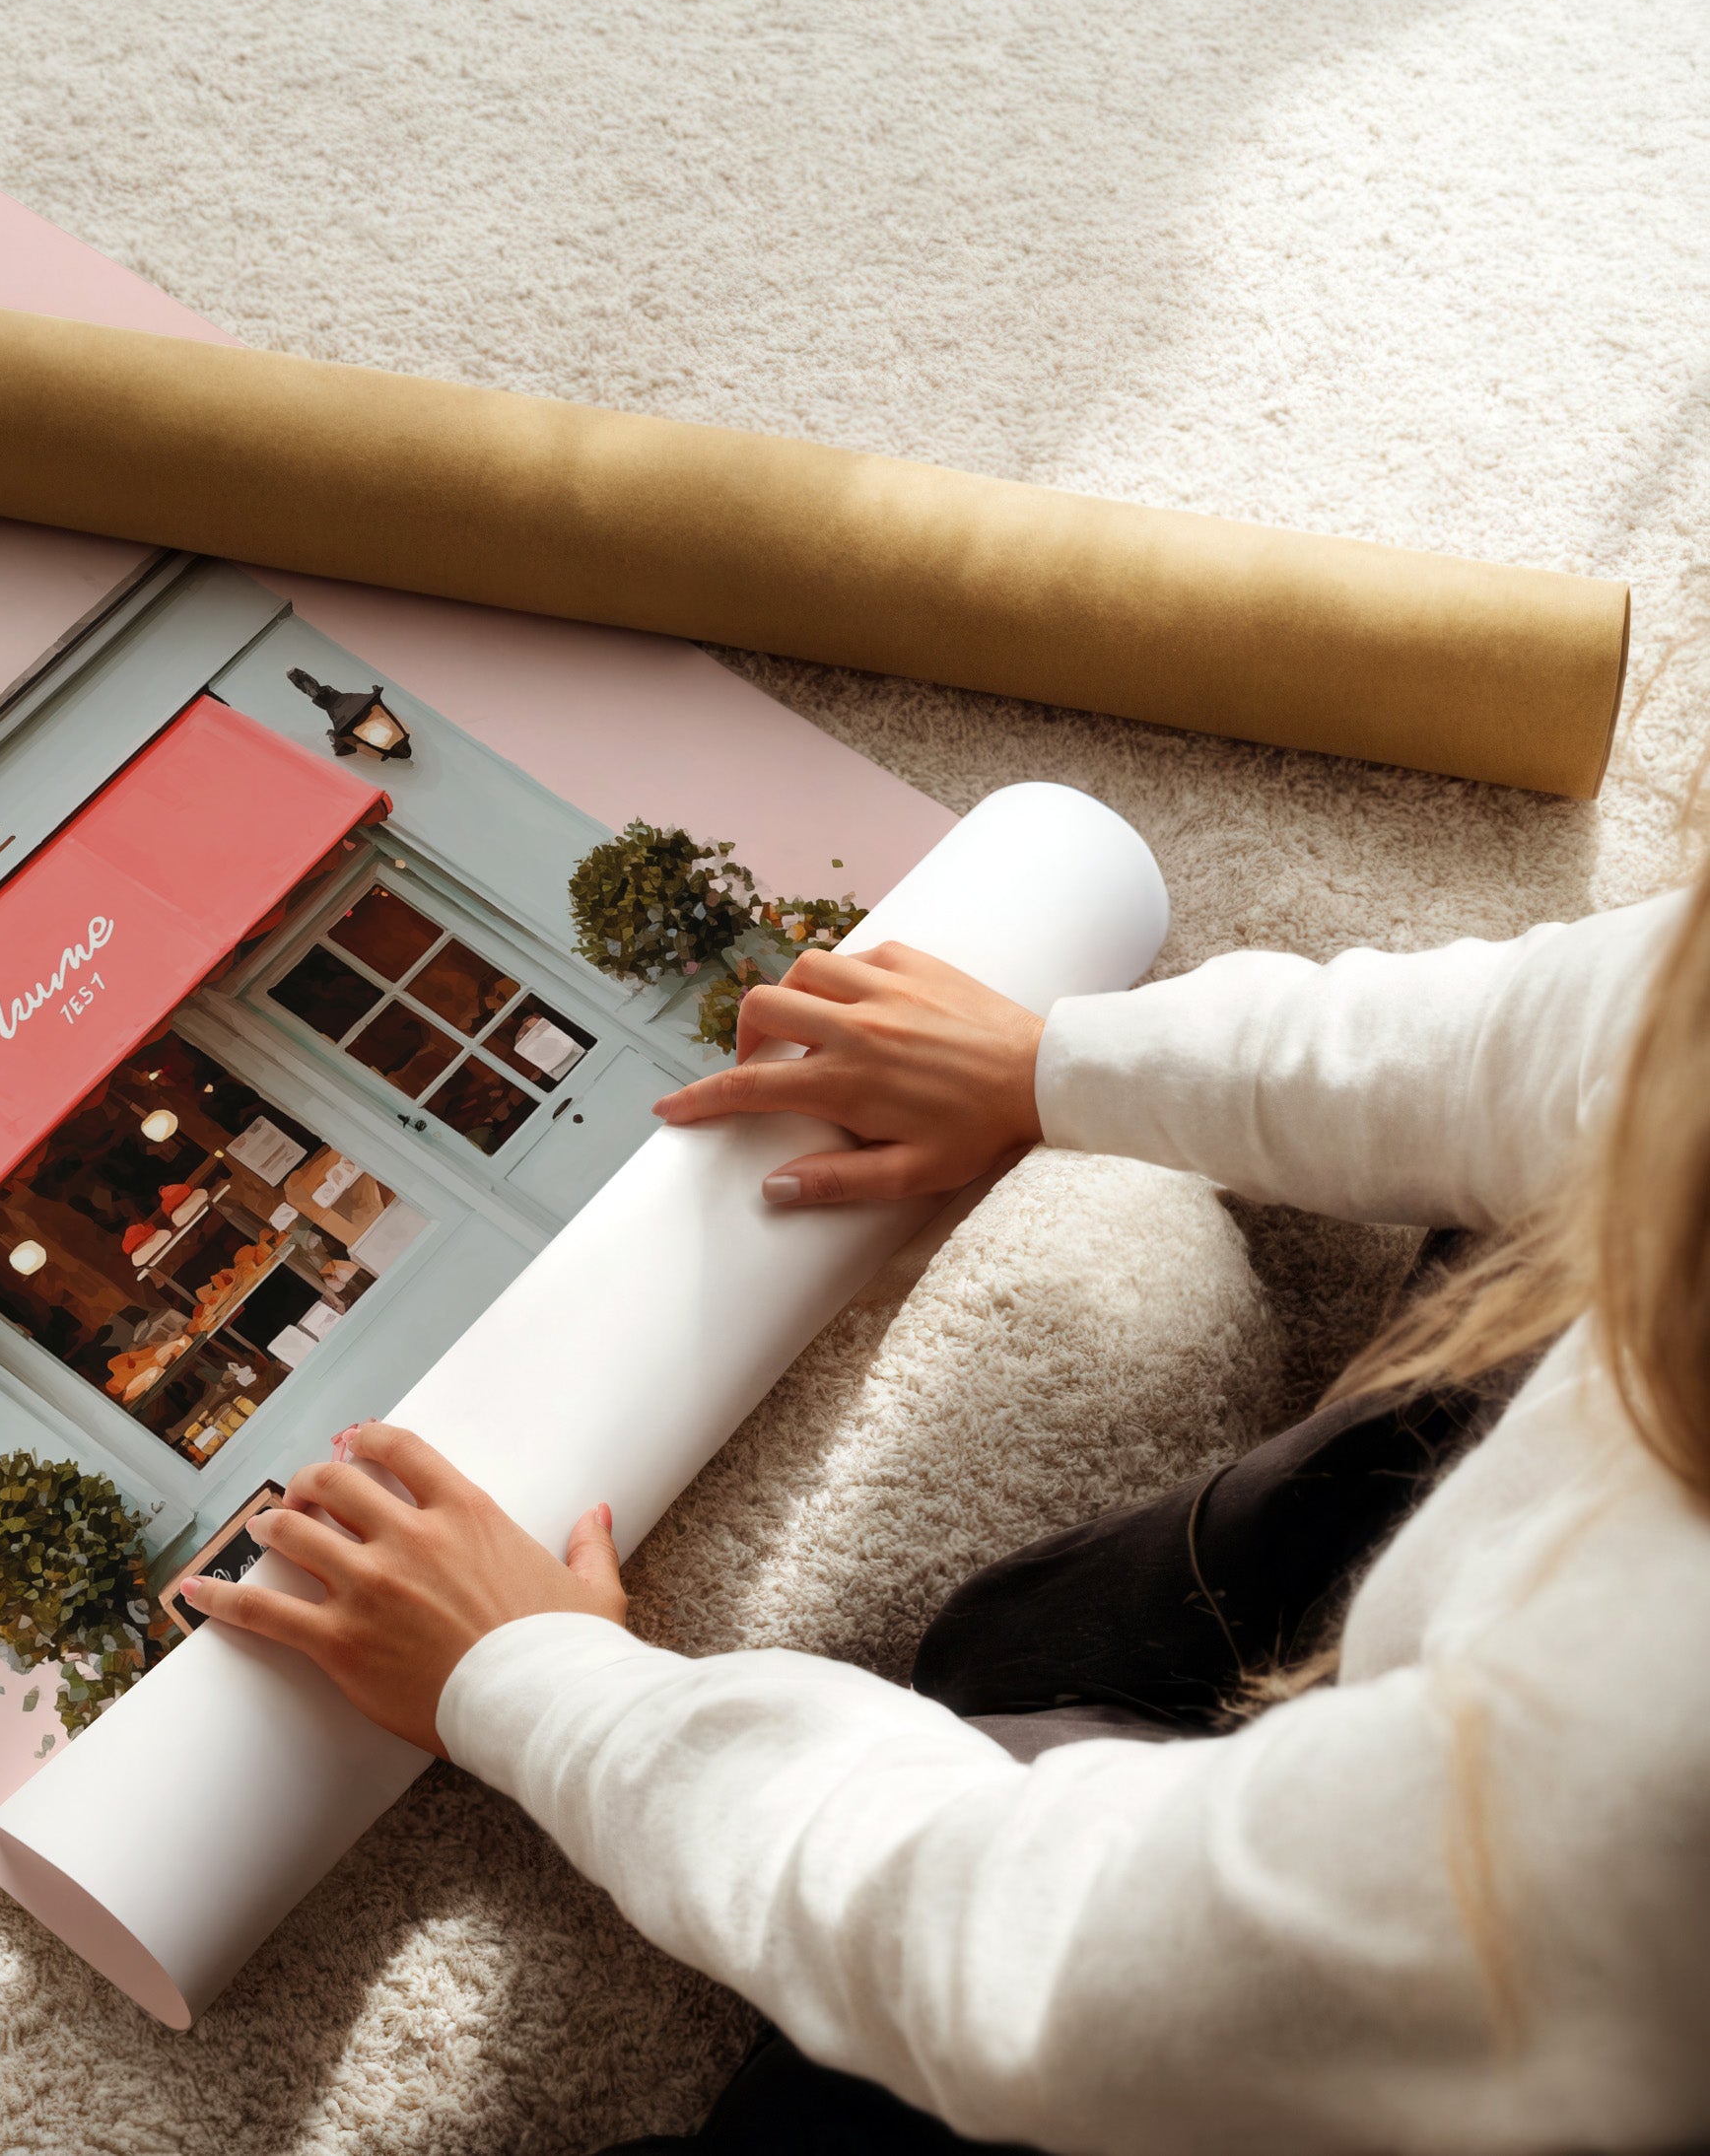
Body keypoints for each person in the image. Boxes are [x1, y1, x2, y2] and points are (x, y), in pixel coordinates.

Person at [180, 876, 1710, 2153]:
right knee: (1023, 1641)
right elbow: (1582, 1031)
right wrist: (1050, 1064)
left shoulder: (1638, 1775)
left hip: (1465, 1998)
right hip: (1442, 1690)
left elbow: (1054, 1963)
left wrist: (536, 1684)